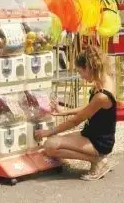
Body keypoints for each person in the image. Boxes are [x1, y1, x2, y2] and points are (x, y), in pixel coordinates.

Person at [34, 45, 117, 180]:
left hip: (99, 142)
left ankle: (97, 160)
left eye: (80, 72)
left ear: (88, 68)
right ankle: (97, 159)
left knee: (50, 145)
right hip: (92, 134)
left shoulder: (102, 95)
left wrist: (48, 132)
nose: (81, 76)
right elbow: (90, 107)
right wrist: (64, 111)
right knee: (54, 141)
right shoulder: (104, 79)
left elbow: (75, 121)